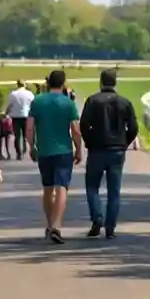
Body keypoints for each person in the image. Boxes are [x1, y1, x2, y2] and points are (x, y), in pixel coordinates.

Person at [79, 69, 139, 239]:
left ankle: (97, 217)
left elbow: (84, 125)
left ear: (100, 82)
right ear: (115, 82)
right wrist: (124, 142)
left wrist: (89, 142)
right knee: (114, 191)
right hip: (117, 150)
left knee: (92, 187)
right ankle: (110, 226)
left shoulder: (92, 100)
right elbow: (133, 128)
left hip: (97, 149)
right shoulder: (124, 103)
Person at [26, 69, 82, 245]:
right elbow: (75, 130)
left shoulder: (38, 101)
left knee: (48, 188)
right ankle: (57, 226)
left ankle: (49, 225)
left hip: (44, 150)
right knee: (62, 188)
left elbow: (29, 128)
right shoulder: (68, 103)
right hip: (63, 150)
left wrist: (31, 146)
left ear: (48, 82)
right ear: (63, 83)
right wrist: (79, 148)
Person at [5, 80, 34, 160]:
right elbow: (33, 104)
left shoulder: (13, 94)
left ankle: (19, 152)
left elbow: (9, 105)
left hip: (16, 116)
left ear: (17, 84)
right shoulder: (29, 94)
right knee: (25, 134)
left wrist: (6, 113)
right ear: (24, 85)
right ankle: (25, 149)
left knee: (17, 135)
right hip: (26, 115)